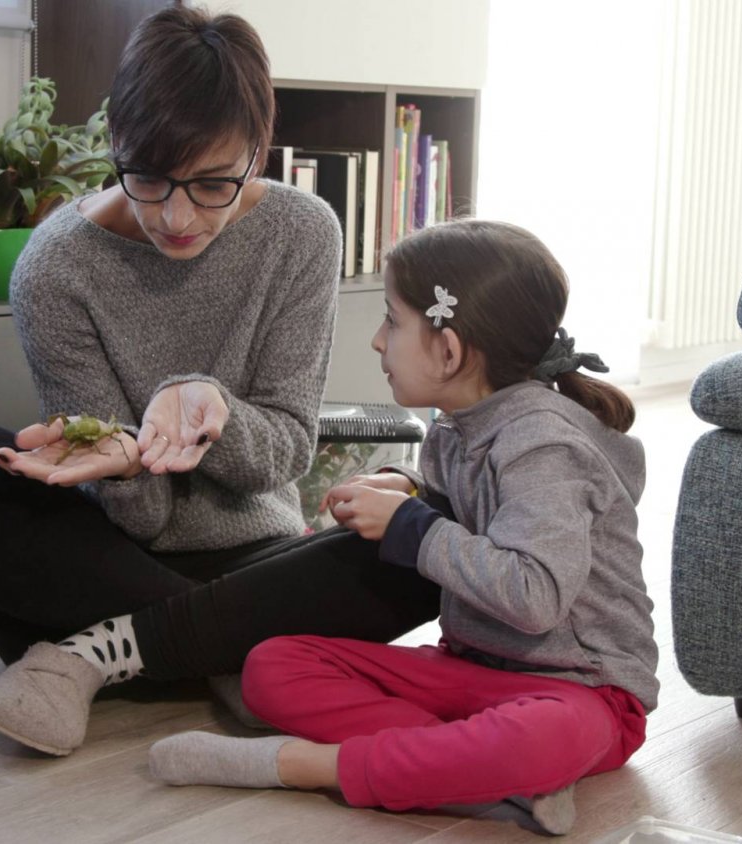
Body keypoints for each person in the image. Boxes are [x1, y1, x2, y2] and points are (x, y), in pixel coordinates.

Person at [0, 6, 438, 757]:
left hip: (257, 557)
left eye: (212, 183)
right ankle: (237, 652)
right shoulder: (56, 268)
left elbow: (281, 457)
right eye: (148, 178)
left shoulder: (301, 232)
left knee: (429, 540)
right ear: (114, 143)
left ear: (258, 151)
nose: (177, 216)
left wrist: (208, 404)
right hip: (106, 560)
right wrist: (123, 457)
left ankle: (106, 655)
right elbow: (139, 522)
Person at [145, 219, 659, 837]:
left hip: (586, 694)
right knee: (272, 665)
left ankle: (308, 765)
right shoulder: (455, 424)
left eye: (392, 320)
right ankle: (481, 773)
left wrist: (412, 526)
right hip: (475, 668)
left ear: (449, 350)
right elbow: (472, 508)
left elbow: (536, 596)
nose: (376, 341)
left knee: (546, 737)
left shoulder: (542, 444)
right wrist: (409, 489)